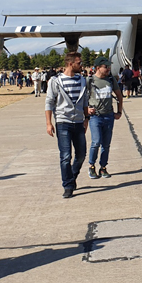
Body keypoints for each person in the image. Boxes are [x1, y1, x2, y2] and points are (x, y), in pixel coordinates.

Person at [45, 52, 89, 198]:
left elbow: (85, 102)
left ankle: (72, 175)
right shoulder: (56, 81)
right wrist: (49, 123)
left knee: (81, 154)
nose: (81, 65)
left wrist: (86, 118)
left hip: (78, 122)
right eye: (79, 63)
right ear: (71, 64)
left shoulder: (82, 80)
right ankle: (68, 185)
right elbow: (49, 102)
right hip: (63, 122)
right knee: (65, 156)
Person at [86, 56, 123, 180]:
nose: (108, 69)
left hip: (108, 116)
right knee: (96, 142)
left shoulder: (111, 80)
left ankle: (103, 167)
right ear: (98, 68)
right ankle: (91, 166)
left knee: (106, 144)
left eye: (109, 67)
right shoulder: (89, 81)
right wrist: (86, 110)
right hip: (95, 117)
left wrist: (119, 111)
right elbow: (81, 99)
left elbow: (119, 96)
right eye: (105, 67)